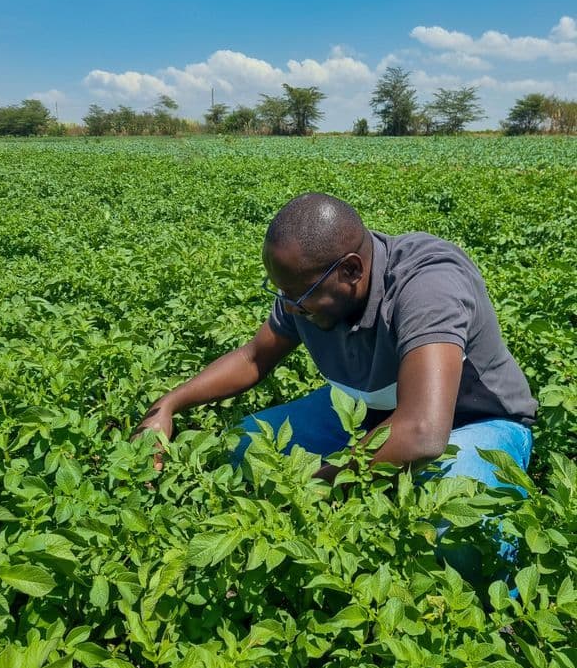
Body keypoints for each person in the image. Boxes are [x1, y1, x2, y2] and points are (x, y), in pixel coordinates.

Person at [136, 193, 536, 578]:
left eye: (299, 296)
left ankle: (504, 624)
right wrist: (167, 405)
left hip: (472, 421)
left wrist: (316, 484)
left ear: (351, 271)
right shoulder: (305, 287)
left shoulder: (427, 284)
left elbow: (423, 432)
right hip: (364, 408)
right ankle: (378, 484)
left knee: (460, 524)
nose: (289, 307)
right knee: (243, 445)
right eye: (282, 294)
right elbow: (253, 358)